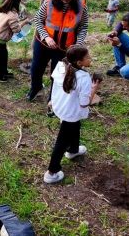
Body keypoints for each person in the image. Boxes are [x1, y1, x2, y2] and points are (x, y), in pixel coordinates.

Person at [44, 46, 102, 184]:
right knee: (62, 140)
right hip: (70, 112)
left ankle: (73, 150)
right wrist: (94, 88)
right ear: (79, 62)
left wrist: (52, 101)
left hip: (60, 105)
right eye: (88, 57)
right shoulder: (83, 78)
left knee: (75, 126)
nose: (91, 59)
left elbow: (56, 84)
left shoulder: (60, 65)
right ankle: (52, 172)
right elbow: (84, 104)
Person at [27, 0, 89, 101]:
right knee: (36, 68)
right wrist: (46, 37)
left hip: (64, 48)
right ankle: (35, 87)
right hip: (44, 43)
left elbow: (83, 27)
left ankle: (53, 97)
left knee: (58, 74)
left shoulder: (82, 7)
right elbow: (38, 20)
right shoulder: (48, 2)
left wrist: (77, 44)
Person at [0, 0, 30, 82]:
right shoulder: (13, 14)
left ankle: (4, 72)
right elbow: (16, 30)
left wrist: (21, 21)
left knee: (4, 55)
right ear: (17, 3)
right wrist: (24, 22)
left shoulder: (5, 10)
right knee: (2, 57)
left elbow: (12, 23)